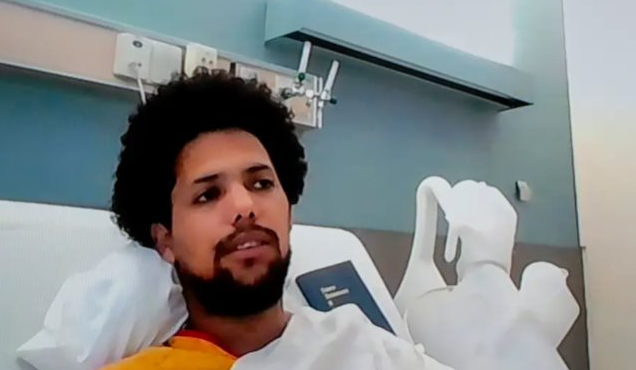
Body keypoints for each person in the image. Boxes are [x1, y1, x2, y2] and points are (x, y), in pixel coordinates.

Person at [106, 71, 452, 370]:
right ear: (165, 240)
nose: (245, 206)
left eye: (261, 184)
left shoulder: (366, 351)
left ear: (289, 214)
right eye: (208, 194)